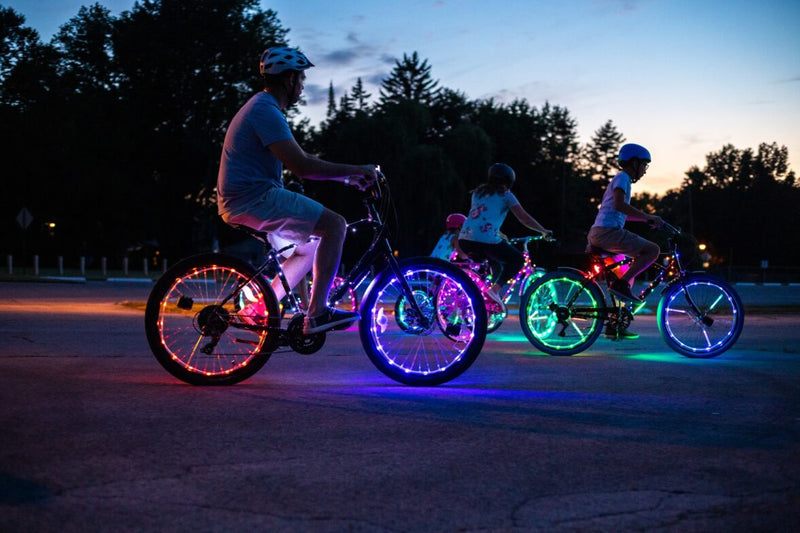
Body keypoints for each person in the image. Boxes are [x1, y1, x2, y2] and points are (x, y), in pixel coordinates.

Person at [217, 46, 377, 334]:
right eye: (301, 80)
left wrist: (346, 179)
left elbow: (299, 164)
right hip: (253, 198)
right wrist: (356, 170)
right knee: (335, 225)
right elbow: (303, 165)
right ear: (289, 80)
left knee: (310, 246)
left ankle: (259, 309)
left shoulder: (262, 108)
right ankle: (317, 313)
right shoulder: (264, 111)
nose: (302, 86)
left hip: (247, 198)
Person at [587, 143, 663, 338]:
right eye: (644, 165)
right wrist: (648, 217)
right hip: (607, 232)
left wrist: (646, 219)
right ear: (634, 162)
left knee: (625, 273)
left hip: (602, 232)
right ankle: (620, 286)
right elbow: (620, 205)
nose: (645, 170)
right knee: (652, 250)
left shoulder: (622, 179)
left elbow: (623, 213)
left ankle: (615, 325)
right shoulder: (623, 178)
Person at [458, 163, 552, 309]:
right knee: (517, 260)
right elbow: (523, 218)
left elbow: (482, 217)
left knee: (495, 265)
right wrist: (543, 230)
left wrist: (499, 234)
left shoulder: (478, 192)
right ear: (509, 180)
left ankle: (483, 299)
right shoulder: (506, 195)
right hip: (486, 240)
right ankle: (494, 291)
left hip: (464, 239)